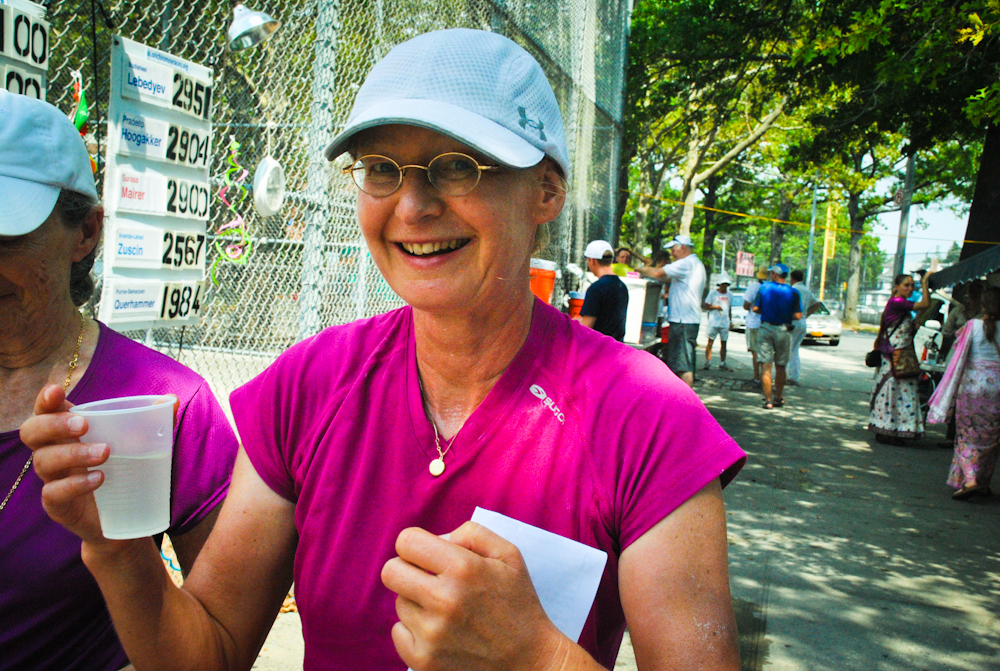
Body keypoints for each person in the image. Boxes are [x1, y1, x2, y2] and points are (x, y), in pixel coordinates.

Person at [23, 29, 746, 671]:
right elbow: (208, 652)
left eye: (457, 166)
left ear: (547, 191)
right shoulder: (310, 384)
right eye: (380, 169)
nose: (412, 206)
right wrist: (118, 549)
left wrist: (540, 657)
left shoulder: (646, 416)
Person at [0, 91, 238, 670]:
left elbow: (220, 646)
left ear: (86, 233)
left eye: (6, 237)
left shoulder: (164, 403)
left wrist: (119, 549)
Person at [928, 286, 1000, 500]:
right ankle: (983, 483)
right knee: (990, 439)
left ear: (983, 305)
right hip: (997, 390)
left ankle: (970, 480)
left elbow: (957, 354)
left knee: (966, 435)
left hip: (972, 388)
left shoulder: (972, 326)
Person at [868, 271, 935, 444]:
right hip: (893, 357)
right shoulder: (897, 302)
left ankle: (897, 429)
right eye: (906, 285)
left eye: (912, 286)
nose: (910, 289)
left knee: (902, 393)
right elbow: (925, 304)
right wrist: (925, 283)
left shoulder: (902, 308)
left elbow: (920, 311)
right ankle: (888, 428)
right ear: (897, 287)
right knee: (893, 392)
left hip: (901, 358)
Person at [636, 234, 706, 387]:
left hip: (683, 321)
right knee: (681, 363)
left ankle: (685, 399)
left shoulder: (686, 263)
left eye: (674, 250)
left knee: (683, 365)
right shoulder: (694, 264)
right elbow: (666, 278)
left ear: (683, 248)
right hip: (685, 320)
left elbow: (657, 273)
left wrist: (636, 269)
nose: (672, 254)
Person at [752, 264, 801, 409]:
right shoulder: (793, 292)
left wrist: (768, 311)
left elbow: (755, 308)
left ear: (775, 274)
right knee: (781, 366)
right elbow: (798, 315)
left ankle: (768, 400)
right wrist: (785, 314)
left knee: (765, 366)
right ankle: (778, 397)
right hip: (783, 329)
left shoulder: (764, 288)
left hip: (766, 328)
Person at [577, 240, 629, 341]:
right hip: (617, 347)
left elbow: (586, 327)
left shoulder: (596, 288)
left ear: (592, 260)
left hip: (599, 347)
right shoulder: (621, 286)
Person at [787, 269, 820, 385]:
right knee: (795, 349)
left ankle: (789, 375)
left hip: (793, 320)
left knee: (788, 349)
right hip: (802, 320)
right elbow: (817, 303)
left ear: (792, 278)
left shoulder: (792, 290)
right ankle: (794, 375)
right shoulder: (806, 290)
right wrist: (807, 314)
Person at [742, 265, 768, 384]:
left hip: (753, 323)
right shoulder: (771, 287)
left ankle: (757, 377)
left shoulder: (753, 287)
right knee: (765, 352)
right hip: (766, 323)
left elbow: (746, 305)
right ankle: (765, 377)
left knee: (755, 352)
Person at [702, 274, 733, 370]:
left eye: (726, 285)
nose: (724, 287)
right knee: (710, 342)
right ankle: (707, 361)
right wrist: (715, 307)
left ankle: (722, 362)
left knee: (724, 343)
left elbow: (729, 308)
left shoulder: (730, 294)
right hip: (714, 321)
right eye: (723, 284)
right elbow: (706, 305)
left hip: (724, 322)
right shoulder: (713, 293)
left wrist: (730, 320)